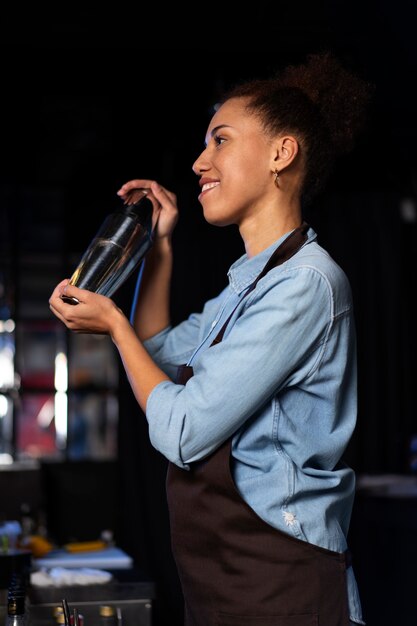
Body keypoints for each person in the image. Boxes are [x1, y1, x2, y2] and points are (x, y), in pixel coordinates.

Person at [49, 52, 372, 626]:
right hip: (224, 582)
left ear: (281, 153)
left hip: (283, 583)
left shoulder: (305, 285)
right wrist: (159, 246)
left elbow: (183, 430)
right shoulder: (249, 286)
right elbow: (156, 356)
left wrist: (115, 324)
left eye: (219, 140)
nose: (200, 162)